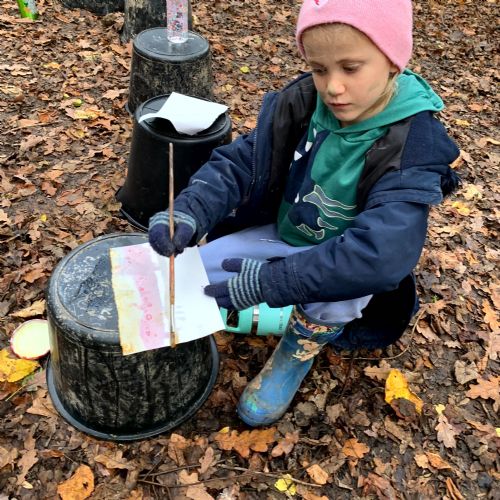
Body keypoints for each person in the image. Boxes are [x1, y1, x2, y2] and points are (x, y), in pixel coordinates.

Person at [148, 0, 460, 427]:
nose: (333, 87)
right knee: (197, 272)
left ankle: (295, 353)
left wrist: (272, 282)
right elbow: (241, 163)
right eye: (319, 69)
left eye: (350, 68)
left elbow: (380, 255)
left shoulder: (414, 145)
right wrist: (190, 209)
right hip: (286, 231)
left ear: (392, 61)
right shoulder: (303, 102)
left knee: (333, 302)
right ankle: (238, 315)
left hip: (345, 264)